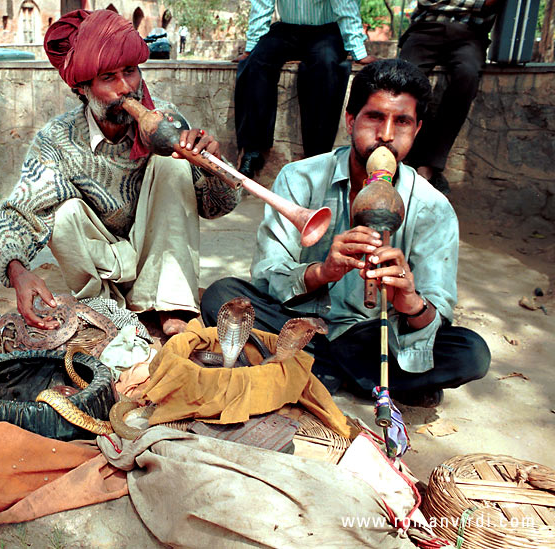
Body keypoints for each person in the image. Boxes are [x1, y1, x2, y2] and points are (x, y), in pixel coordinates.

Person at [201, 59, 490, 408]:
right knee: (222, 295)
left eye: (402, 122)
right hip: (304, 327)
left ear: (417, 130)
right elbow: (267, 275)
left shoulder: (433, 207)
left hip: (377, 336)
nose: (386, 134)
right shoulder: (300, 178)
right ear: (351, 120)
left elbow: (437, 313)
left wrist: (410, 301)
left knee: (472, 353)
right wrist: (322, 272)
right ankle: (374, 380)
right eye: (374, 117)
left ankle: (321, 372)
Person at [0, 9, 241, 337]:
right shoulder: (59, 139)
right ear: (83, 88)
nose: (127, 88)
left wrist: (211, 168)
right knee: (62, 214)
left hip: (157, 257)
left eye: (131, 71)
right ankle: (103, 308)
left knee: (170, 162)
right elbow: (16, 214)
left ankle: (171, 303)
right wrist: (18, 271)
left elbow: (215, 208)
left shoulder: (166, 119)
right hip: (103, 265)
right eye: (109, 78)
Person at [233, 0, 378, 178]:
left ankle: (316, 155)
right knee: (256, 63)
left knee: (326, 65)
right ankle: (253, 150)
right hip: (287, 29)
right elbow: (262, 6)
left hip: (326, 31)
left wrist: (358, 51)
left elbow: (345, 6)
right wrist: (251, 48)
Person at [399, 0, 506, 195]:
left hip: (470, 34)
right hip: (426, 28)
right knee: (403, 79)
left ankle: (430, 166)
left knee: (468, 75)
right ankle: (409, 159)